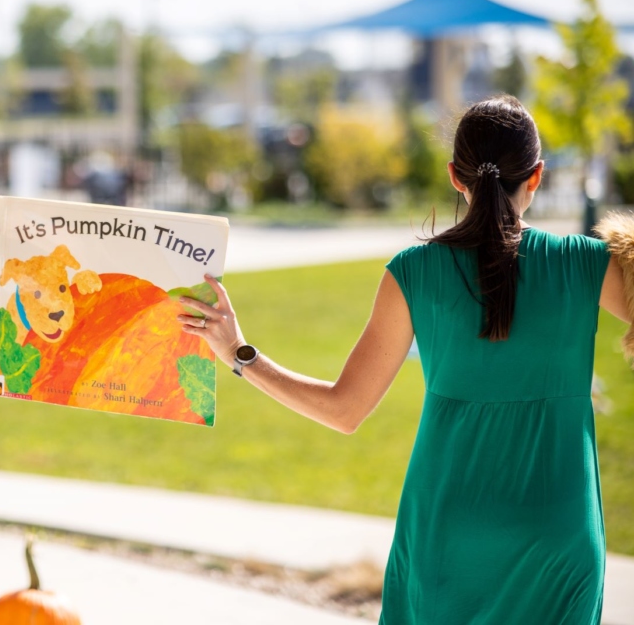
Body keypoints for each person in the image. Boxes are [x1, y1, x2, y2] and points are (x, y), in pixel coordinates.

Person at [178, 95, 629, 624]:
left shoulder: (412, 273)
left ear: (454, 177)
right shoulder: (588, 265)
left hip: (447, 533)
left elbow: (343, 410)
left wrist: (239, 353)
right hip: (558, 538)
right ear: (537, 176)